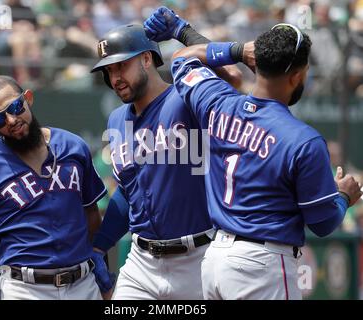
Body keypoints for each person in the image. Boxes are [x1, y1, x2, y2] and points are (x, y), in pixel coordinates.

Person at [150, 22, 363, 299]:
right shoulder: (304, 140)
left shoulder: (217, 102)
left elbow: (182, 58)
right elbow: (323, 224)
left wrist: (237, 51)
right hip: (262, 265)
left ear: (255, 64)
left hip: (215, 259)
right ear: (297, 76)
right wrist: (343, 196)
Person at [90, 9, 244, 299]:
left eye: (121, 66)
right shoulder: (115, 120)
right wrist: (100, 245)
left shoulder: (186, 97)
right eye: (109, 71)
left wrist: (183, 32)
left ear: (147, 59)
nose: (115, 78)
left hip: (198, 256)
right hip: (141, 262)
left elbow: (233, 77)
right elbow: (127, 190)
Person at [0, 75, 113, 300]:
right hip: (24, 288)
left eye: (15, 107)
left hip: (83, 283)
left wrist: (101, 268)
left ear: (28, 98)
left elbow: (91, 214)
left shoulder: (73, 146)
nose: (11, 120)